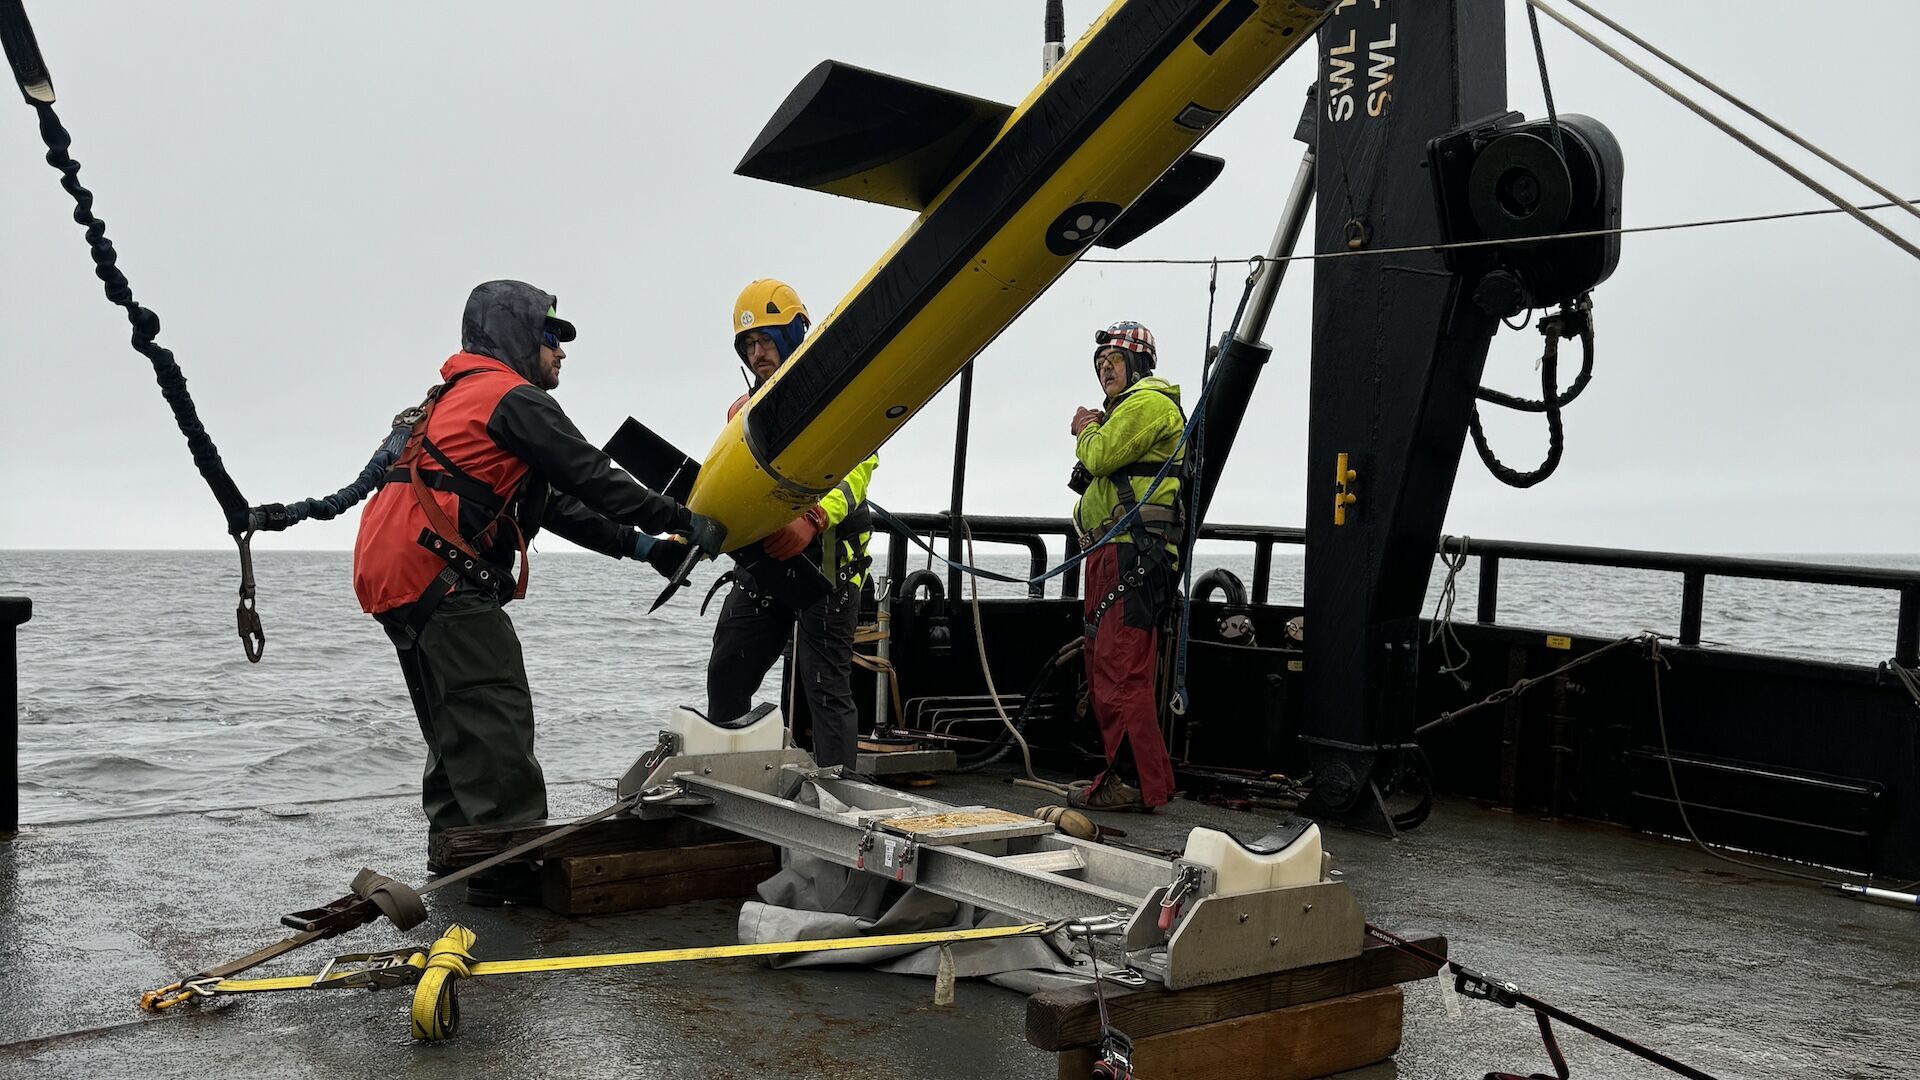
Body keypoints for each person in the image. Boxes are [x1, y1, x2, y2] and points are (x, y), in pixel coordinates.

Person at [353, 279, 721, 904]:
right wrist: (683, 520)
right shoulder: (512, 398)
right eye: (552, 336)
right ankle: (506, 870)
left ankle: (455, 851)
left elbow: (558, 505)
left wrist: (647, 549)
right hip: (442, 577)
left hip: (396, 578)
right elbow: (593, 474)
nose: (561, 352)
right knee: (494, 713)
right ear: (518, 335)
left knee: (452, 722)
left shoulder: (456, 401)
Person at [702, 279, 877, 768]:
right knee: (727, 671)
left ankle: (838, 792)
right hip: (764, 566)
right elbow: (724, 481)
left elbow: (860, 466)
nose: (759, 353)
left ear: (794, 335)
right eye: (750, 344)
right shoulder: (741, 413)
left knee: (825, 685)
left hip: (828, 567)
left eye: (767, 340)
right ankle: (732, 776)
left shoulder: (836, 395)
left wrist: (814, 519)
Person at [1067, 320, 1184, 812]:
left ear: (1137, 364)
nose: (1104, 370)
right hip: (1111, 556)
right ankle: (1137, 778)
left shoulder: (1148, 404)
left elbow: (1099, 455)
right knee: (1106, 668)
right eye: (1099, 364)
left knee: (1120, 672)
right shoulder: (1127, 411)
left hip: (1132, 557)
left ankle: (1136, 783)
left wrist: (1086, 427)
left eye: (1112, 361)